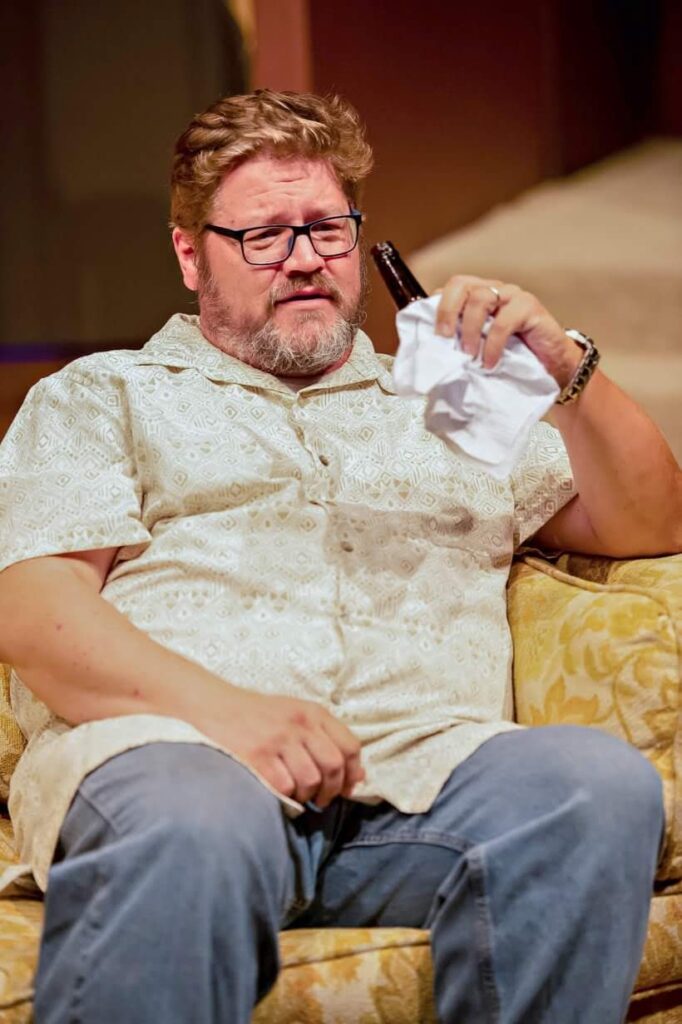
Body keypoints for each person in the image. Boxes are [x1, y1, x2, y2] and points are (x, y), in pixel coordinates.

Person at [0, 89, 680, 1024]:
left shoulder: (448, 400)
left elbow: (650, 523)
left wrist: (567, 370)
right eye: (265, 236)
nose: (305, 258)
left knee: (596, 789)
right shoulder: (102, 396)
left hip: (424, 787)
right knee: (197, 820)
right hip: (179, 767)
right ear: (190, 253)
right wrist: (230, 716)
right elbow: (36, 617)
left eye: (326, 228)